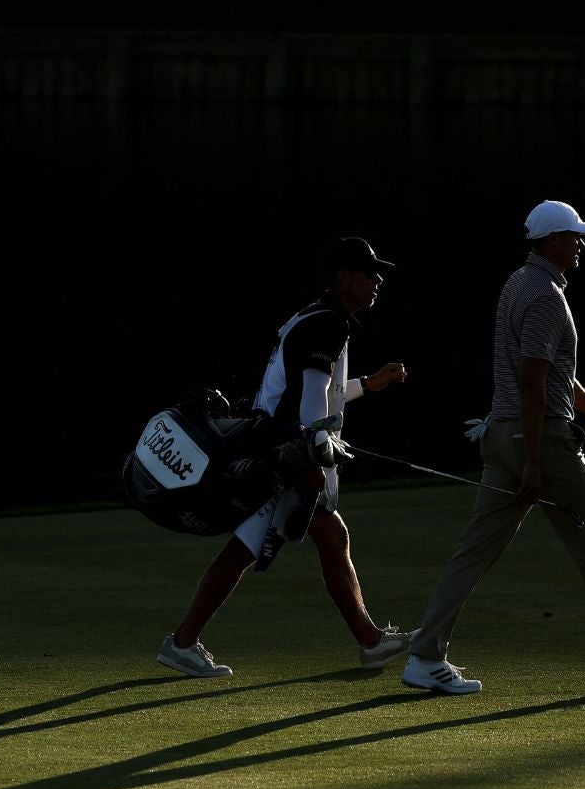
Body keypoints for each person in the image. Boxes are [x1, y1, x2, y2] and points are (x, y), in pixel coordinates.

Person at [399, 200, 585, 695]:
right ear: (552, 240)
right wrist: (536, 463)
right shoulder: (544, 295)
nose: (581, 243)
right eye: (574, 235)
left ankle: (425, 656)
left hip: (502, 435)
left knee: (474, 551)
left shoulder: (520, 283)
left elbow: (553, 372)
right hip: (538, 440)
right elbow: (533, 383)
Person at [156, 236, 416, 678]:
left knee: (326, 536)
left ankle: (370, 641)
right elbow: (313, 395)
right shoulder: (329, 323)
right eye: (369, 273)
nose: (377, 281)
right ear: (343, 277)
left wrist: (369, 384)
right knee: (247, 547)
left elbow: (320, 391)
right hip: (283, 456)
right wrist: (315, 449)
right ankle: (182, 643)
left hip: (277, 447)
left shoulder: (317, 317)